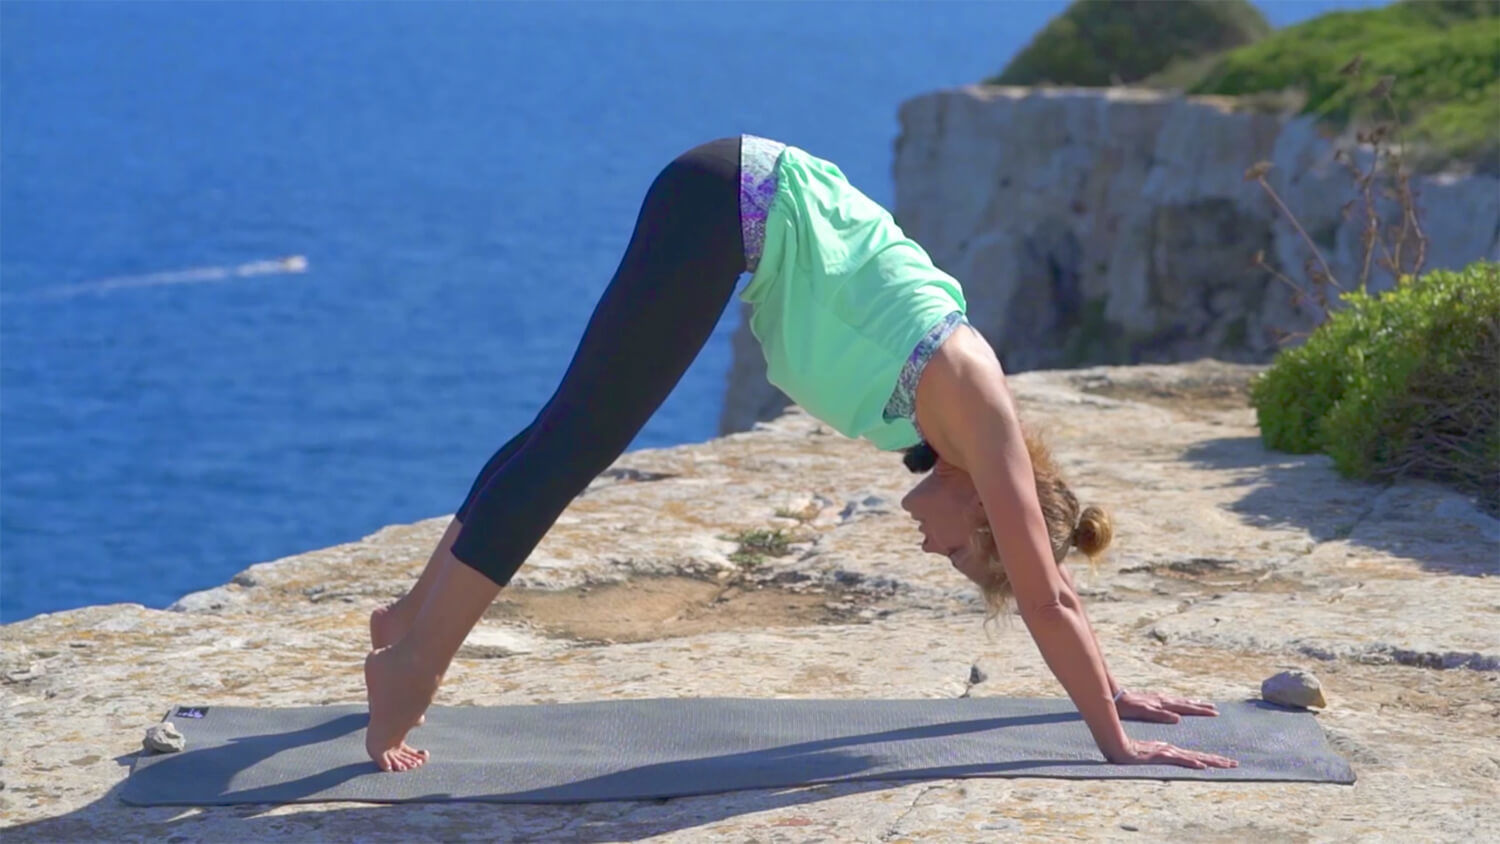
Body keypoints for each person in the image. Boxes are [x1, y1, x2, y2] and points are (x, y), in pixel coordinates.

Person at [362, 135, 1239, 774]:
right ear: (985, 510)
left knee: (562, 431)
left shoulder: (951, 434)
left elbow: (1051, 574)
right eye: (962, 553)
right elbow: (1044, 593)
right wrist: (1112, 738)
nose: (932, 551)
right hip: (729, 203)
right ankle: (419, 660)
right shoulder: (985, 419)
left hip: (728, 198)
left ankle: (410, 615)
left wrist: (1113, 681)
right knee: (573, 443)